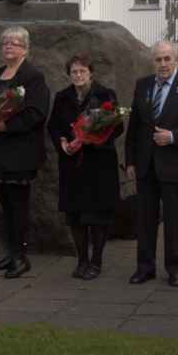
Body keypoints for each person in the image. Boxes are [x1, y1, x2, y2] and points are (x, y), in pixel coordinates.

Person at [125, 40, 178, 287]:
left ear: (176, 59)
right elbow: (134, 127)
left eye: (167, 59)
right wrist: (130, 161)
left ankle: (175, 268)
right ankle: (145, 268)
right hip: (145, 165)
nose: (162, 64)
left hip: (174, 165)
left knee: (174, 220)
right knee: (145, 220)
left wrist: (173, 137)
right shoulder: (143, 85)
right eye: (158, 59)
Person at [0, 26, 50, 278]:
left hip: (19, 154)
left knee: (18, 207)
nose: (8, 46)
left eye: (14, 43)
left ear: (25, 48)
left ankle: (20, 258)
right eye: (5, 42)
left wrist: (3, 126)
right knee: (5, 206)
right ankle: (10, 253)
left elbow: (36, 113)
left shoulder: (33, 77)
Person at [47, 53, 122, 280]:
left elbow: (117, 127)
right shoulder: (62, 97)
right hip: (72, 165)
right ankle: (82, 261)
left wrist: (91, 139)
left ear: (91, 73)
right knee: (75, 216)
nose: (78, 75)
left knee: (98, 216)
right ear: (69, 74)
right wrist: (62, 142)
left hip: (99, 165)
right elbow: (53, 126)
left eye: (82, 71)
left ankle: (96, 262)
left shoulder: (106, 95)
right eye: (74, 72)